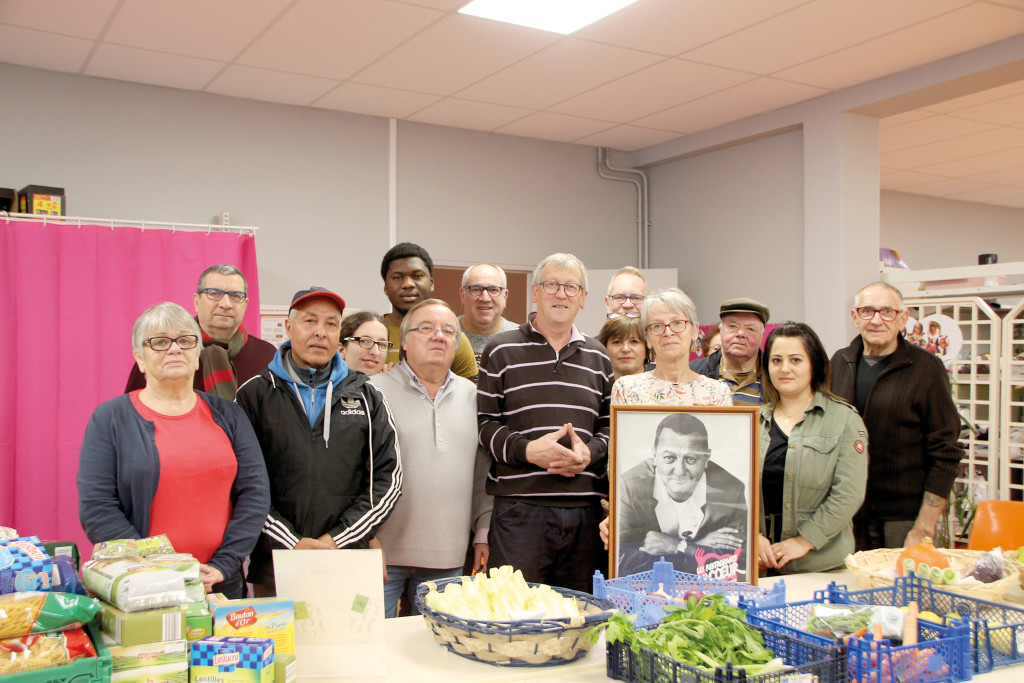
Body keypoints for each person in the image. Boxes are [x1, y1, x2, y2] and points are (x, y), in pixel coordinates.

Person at [79, 302, 269, 598]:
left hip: (219, 583)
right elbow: (97, 506)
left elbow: (255, 493)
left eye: (185, 340)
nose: (174, 349)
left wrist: (224, 563)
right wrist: (153, 567)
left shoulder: (229, 415)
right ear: (139, 359)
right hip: (141, 586)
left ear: (197, 356)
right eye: (159, 342)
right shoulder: (110, 418)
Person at [235, 287, 402, 596]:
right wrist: (291, 541)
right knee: (281, 645)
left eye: (330, 324)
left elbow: (389, 480)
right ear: (288, 326)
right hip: (276, 563)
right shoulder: (253, 395)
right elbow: (241, 481)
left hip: (348, 560)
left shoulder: (367, 396)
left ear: (339, 334)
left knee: (345, 644)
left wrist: (337, 538)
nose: (320, 333)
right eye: (309, 321)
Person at [477, 253, 612, 592]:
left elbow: (611, 428)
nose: (561, 294)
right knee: (513, 617)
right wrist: (527, 452)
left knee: (579, 618)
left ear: (583, 299)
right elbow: (486, 426)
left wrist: (590, 453)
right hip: (520, 512)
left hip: (586, 513)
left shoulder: (599, 357)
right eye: (552, 284)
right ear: (535, 291)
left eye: (571, 287)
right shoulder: (500, 350)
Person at [369, 299, 491, 618]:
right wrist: (365, 538)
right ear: (405, 341)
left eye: (448, 331)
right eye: (426, 328)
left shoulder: (476, 397)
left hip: (448, 556)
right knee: (373, 649)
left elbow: (484, 473)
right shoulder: (372, 392)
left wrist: (483, 532)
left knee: (435, 650)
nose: (438, 336)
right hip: (379, 554)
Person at [831, 282, 964, 550]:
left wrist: (924, 527)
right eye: (867, 311)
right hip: (845, 513)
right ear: (855, 317)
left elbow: (946, 451)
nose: (876, 320)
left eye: (887, 312)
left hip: (904, 519)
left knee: (903, 591)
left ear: (902, 319)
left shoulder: (926, 369)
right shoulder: (838, 362)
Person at [756, 322, 868, 574]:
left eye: (795, 360)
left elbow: (849, 494)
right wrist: (753, 535)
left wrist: (804, 541)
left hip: (820, 566)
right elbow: (736, 492)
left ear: (814, 364)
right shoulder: (753, 421)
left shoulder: (844, 420)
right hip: (760, 566)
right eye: (776, 360)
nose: (785, 369)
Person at [617, 413, 747, 580]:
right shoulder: (629, 486)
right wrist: (699, 547)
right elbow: (623, 563)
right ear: (654, 455)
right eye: (669, 458)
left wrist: (678, 546)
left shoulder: (731, 491)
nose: (679, 471)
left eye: (691, 459)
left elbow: (738, 562)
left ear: (706, 458)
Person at [125, 264, 276, 397]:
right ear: (197, 301)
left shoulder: (266, 355)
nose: (225, 304)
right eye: (214, 294)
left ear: (245, 305)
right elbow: (133, 410)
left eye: (235, 296)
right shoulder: (166, 351)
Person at [613, 289, 732, 407]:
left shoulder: (718, 393)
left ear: (695, 331)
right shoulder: (626, 389)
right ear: (647, 338)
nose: (668, 332)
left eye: (678, 323)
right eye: (657, 326)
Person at [379, 242, 478, 380]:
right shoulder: (369, 334)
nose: (408, 284)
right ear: (385, 287)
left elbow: (466, 396)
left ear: (431, 284)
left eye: (417, 276)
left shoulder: (452, 338)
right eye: (397, 277)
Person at [691, 298, 771, 405]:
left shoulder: (773, 375)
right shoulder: (694, 372)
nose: (741, 333)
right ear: (721, 331)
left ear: (762, 337)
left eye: (751, 329)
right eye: (732, 326)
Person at [458, 263, 518, 365]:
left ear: (505, 296)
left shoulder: (523, 340)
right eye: (476, 289)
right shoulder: (444, 334)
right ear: (462, 295)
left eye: (493, 290)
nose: (485, 298)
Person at [340, 311, 392, 376]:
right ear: (341, 350)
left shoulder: (392, 384)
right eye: (365, 341)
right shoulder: (327, 385)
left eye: (382, 344)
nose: (375, 352)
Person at [598, 316, 647, 380]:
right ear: (604, 348)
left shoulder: (661, 388)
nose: (625, 349)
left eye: (634, 341)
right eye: (617, 342)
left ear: (647, 349)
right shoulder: (593, 389)